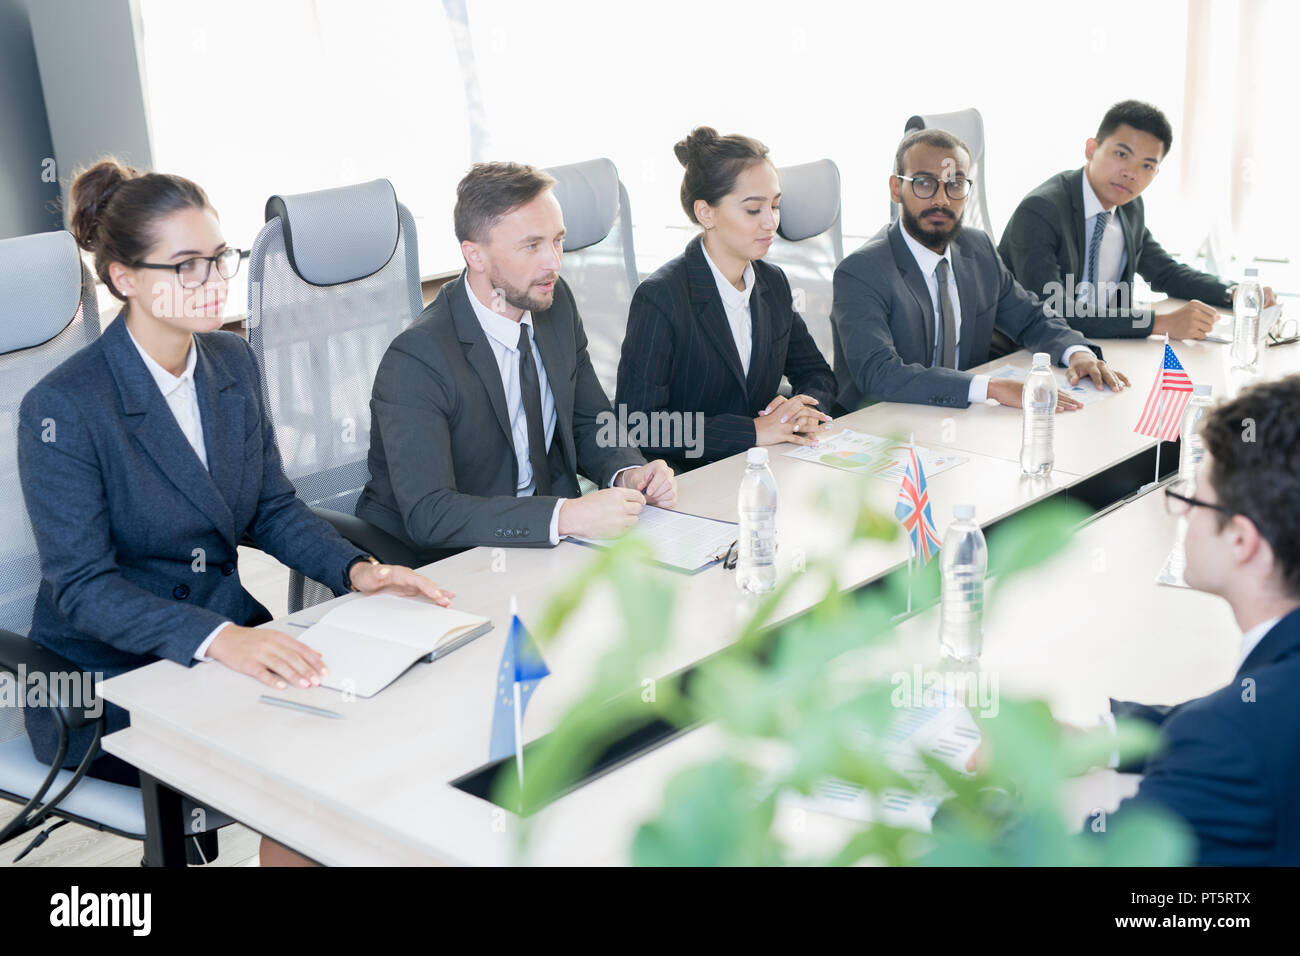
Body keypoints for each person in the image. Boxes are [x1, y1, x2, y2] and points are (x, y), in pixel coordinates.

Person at [18, 159, 453, 867]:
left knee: (377, 738)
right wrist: (219, 638)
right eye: (186, 266)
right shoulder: (65, 407)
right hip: (108, 679)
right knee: (311, 772)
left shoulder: (230, 363)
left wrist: (357, 569)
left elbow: (270, 506)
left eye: (219, 258)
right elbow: (82, 587)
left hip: (224, 647)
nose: (213, 280)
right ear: (125, 278)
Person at [357, 162, 676, 560]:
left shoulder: (554, 307)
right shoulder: (418, 359)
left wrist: (628, 472)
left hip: (543, 547)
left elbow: (587, 420)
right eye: (532, 246)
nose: (554, 262)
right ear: (476, 255)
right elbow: (430, 513)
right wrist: (564, 516)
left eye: (557, 240)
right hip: (446, 563)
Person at [1096, 376, 1300, 864]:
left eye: (1194, 501)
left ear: (1241, 541)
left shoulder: (1230, 739)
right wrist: (1105, 740)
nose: (1183, 515)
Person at [831, 129, 1129, 412]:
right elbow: (879, 374)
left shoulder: (977, 248)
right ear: (897, 189)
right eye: (924, 183)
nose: (941, 199)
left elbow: (1030, 317)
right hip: (879, 428)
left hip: (960, 421)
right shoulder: (861, 271)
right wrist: (990, 388)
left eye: (955, 184)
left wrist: (1077, 352)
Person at [615, 127, 835, 471]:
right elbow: (639, 424)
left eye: (775, 206)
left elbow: (817, 373)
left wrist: (802, 410)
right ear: (706, 213)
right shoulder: (661, 297)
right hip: (690, 479)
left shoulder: (772, 283)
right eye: (753, 210)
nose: (771, 222)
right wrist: (750, 431)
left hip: (766, 466)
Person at [998, 100, 1277, 341]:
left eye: (1147, 165)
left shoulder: (1129, 208)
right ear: (1091, 149)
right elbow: (1055, 309)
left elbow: (1166, 272)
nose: (1132, 174)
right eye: (1122, 155)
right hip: (1028, 354)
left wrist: (1234, 294)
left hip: (1102, 347)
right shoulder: (1040, 211)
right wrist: (1159, 322)